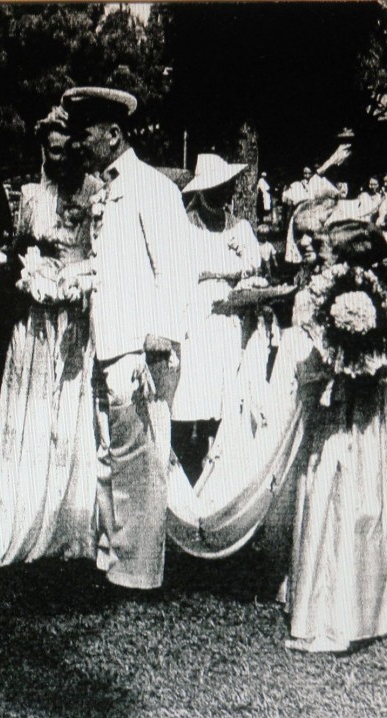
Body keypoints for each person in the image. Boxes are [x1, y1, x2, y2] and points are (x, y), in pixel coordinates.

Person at [167, 220, 387, 653]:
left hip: (345, 401)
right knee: (362, 490)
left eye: (324, 249)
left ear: (344, 257)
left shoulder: (342, 296)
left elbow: (327, 355)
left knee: (338, 492)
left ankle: (335, 612)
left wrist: (326, 374)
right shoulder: (354, 291)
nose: (314, 252)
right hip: (358, 397)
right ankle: (374, 604)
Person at [63, 86, 198, 590]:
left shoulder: (152, 188)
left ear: (113, 134)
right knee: (108, 458)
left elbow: (177, 267)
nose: (79, 143)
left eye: (86, 133)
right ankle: (111, 558)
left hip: (140, 347)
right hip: (107, 343)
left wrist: (162, 332)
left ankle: (138, 572)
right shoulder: (104, 190)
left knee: (140, 462)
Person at [0, 105, 102, 566]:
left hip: (74, 320)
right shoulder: (31, 196)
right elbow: (17, 248)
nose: (57, 159)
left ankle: (67, 522)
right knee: (32, 414)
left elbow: (103, 256)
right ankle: (20, 514)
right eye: (50, 151)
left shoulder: (97, 194)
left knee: (68, 419)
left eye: (65, 151)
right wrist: (25, 272)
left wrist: (72, 280)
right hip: (36, 321)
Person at [172, 153, 262, 482]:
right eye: (216, 190)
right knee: (191, 391)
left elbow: (255, 264)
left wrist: (242, 260)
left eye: (227, 189)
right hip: (197, 316)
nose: (224, 196)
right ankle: (183, 467)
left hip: (230, 316)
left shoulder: (239, 227)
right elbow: (186, 269)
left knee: (225, 392)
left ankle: (218, 469)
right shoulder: (186, 224)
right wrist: (230, 265)